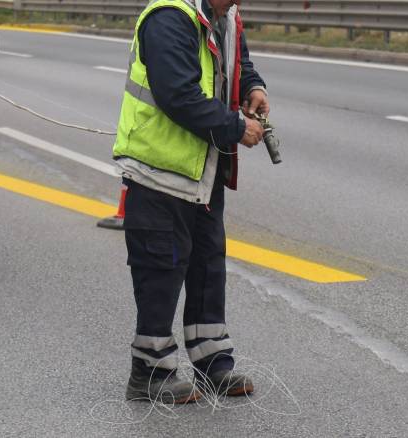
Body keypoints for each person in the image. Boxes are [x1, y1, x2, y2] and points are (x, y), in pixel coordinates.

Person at [112, 0, 269, 403]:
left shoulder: (226, 16)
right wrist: (235, 125)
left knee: (207, 266)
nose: (239, 2)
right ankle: (149, 371)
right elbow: (177, 93)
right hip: (159, 169)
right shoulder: (170, 16)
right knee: (161, 268)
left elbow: (237, 65)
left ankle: (212, 362)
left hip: (203, 168)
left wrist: (254, 87)